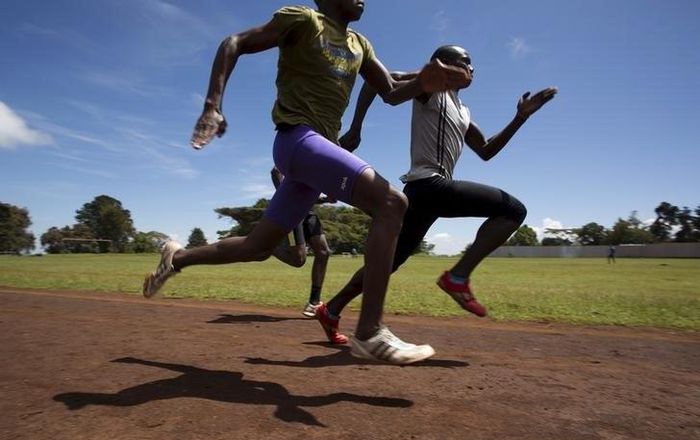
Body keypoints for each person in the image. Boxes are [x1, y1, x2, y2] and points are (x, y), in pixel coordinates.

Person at [142, 1, 470, 365]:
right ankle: (370, 331)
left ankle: (177, 257)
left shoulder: (360, 44)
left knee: (257, 246)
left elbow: (391, 91)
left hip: (313, 156)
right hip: (297, 140)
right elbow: (232, 43)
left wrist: (425, 82)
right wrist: (212, 105)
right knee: (392, 203)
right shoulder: (302, 20)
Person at [316, 45, 556, 338]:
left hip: (423, 195)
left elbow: (486, 150)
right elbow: (377, 81)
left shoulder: (462, 110)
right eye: (465, 62)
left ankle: (331, 310)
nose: (471, 68)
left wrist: (520, 118)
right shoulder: (428, 87)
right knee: (513, 210)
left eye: (472, 63)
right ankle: (457, 277)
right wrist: (356, 128)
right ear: (443, 65)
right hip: (429, 184)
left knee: (388, 263)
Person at [269, 166, 333, 318]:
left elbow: (307, 195)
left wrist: (325, 199)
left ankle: (314, 302)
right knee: (298, 260)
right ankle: (268, 246)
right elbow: (275, 171)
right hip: (292, 214)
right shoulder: (295, 156)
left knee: (324, 252)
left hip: (308, 213)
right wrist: (287, 197)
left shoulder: (315, 168)